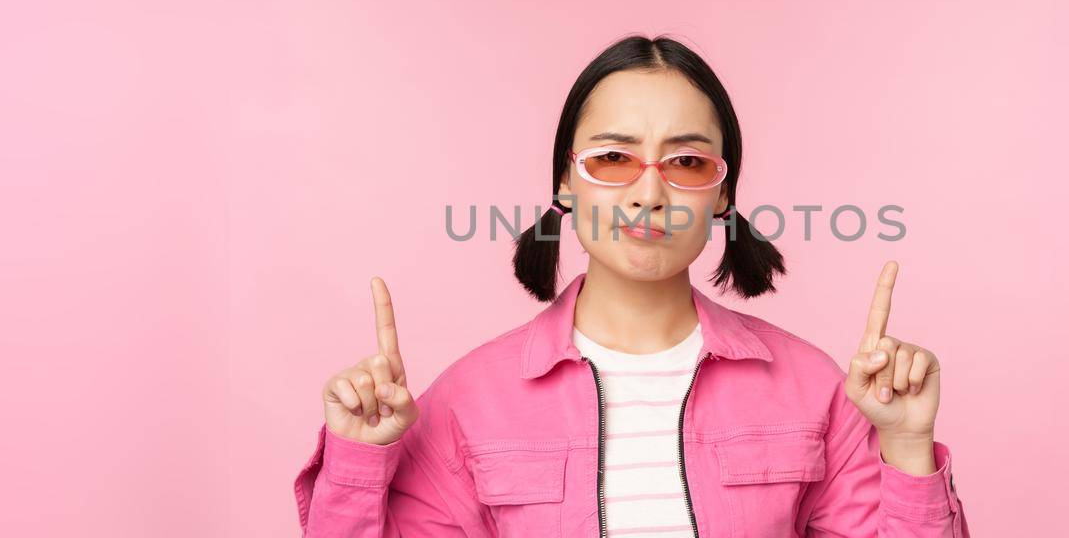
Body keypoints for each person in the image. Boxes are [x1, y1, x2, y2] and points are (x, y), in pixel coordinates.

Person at [293, 35, 970, 536]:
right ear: (564, 178)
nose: (650, 193)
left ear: (722, 191)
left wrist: (908, 448)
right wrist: (356, 463)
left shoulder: (816, 388)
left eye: (686, 161)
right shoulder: (466, 403)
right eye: (613, 158)